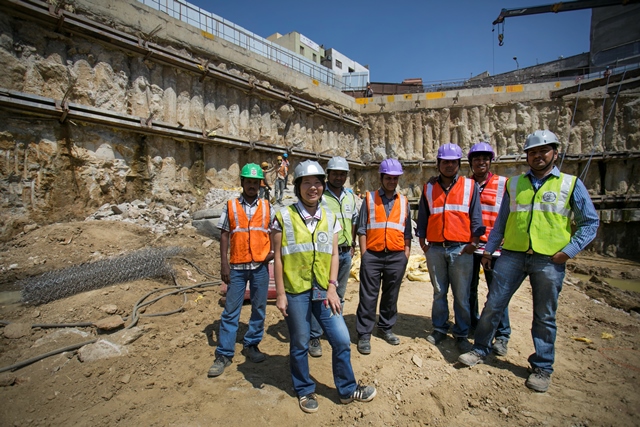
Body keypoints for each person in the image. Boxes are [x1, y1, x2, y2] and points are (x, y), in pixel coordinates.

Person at [458, 130, 599, 393]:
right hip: (512, 254)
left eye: (543, 151)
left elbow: (589, 223)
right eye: (532, 152)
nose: (538, 156)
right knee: (494, 304)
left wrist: (569, 251)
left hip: (549, 259)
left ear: (555, 153)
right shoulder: (515, 184)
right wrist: (489, 251)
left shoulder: (570, 184)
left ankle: (542, 367)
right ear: (526, 156)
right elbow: (501, 223)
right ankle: (480, 349)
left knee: (544, 315)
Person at [272, 160, 376, 413]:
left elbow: (332, 255)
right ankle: (305, 389)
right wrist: (281, 294)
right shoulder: (283, 217)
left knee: (341, 339)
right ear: (298, 187)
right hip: (296, 290)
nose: (313, 188)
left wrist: (332, 287)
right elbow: (277, 256)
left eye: (317, 182)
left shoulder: (329, 217)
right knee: (299, 343)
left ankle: (347, 389)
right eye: (307, 183)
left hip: (323, 289)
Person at [416, 143, 485, 354]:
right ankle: (439, 328)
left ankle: (462, 334)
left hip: (461, 249)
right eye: (445, 162)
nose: (448, 165)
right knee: (439, 292)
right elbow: (423, 215)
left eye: (453, 162)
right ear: (438, 164)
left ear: (459, 164)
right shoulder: (429, 188)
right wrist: (422, 241)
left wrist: (473, 243)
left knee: (462, 295)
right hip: (435, 248)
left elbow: (476, 216)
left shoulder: (469, 186)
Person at [208, 163, 274, 378]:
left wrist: (272, 252)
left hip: (260, 267)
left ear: (259, 185)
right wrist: (224, 264)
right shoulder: (231, 206)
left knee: (259, 309)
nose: (252, 185)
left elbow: (274, 231)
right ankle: (224, 353)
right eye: (249, 182)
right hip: (236, 267)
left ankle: (252, 344)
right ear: (242, 183)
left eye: (256, 182)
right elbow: (225, 234)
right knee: (230, 312)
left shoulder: (266, 206)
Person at [355, 158, 412, 355]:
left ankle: (386, 328)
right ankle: (364, 334)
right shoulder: (369, 198)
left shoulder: (404, 201)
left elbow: (407, 233)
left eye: (395, 179)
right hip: (372, 254)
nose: (392, 182)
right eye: (388, 178)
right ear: (381, 178)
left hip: (396, 256)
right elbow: (362, 228)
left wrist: (405, 255)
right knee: (368, 296)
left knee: (390, 296)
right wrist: (364, 254)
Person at [308, 156, 359, 358]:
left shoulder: (349, 196)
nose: (339, 177)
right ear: (328, 175)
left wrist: (353, 243)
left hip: (345, 253)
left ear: (346, 176)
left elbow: (353, 220)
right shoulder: (320, 196)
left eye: (342, 174)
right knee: (319, 293)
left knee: (340, 293)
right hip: (325, 255)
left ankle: (333, 330)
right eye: (335, 173)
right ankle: (314, 335)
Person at [466, 142, 510, 356]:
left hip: (495, 248)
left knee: (498, 293)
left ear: (490, 161)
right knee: (469, 290)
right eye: (476, 159)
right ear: (471, 162)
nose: (480, 162)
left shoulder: (504, 184)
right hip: (471, 246)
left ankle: (502, 335)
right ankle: (475, 325)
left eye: (484, 158)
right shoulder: (465, 185)